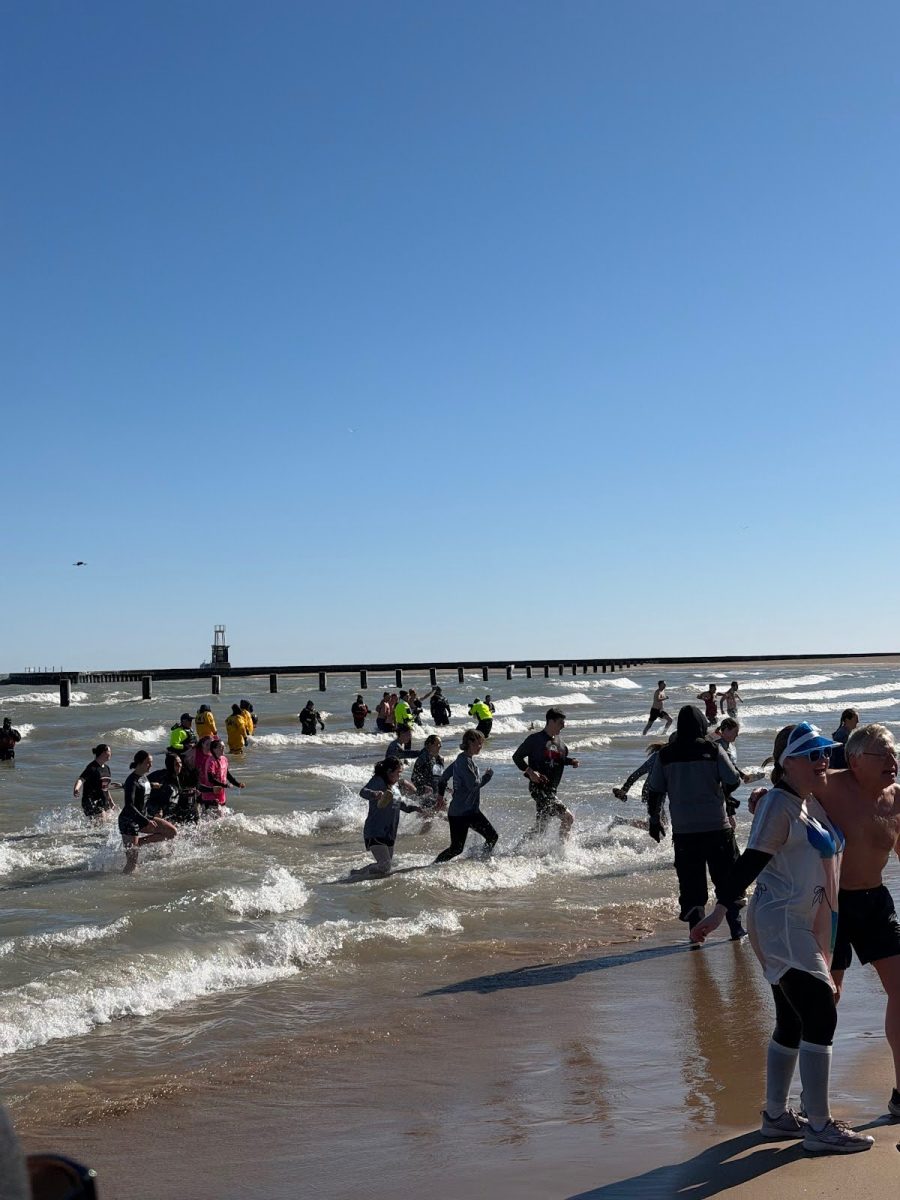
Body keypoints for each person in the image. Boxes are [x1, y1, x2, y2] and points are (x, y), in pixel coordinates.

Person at [692, 723, 874, 1154]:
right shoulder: (780, 803)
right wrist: (720, 910)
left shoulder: (808, 803)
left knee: (793, 1020)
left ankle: (776, 1116)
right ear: (785, 762)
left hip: (802, 923)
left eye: (824, 754)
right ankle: (820, 1126)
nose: (822, 761)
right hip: (781, 924)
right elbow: (751, 861)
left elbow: (852, 770)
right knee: (820, 1014)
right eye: (811, 755)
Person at [646, 705, 744, 937]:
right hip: (717, 828)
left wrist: (654, 819)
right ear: (701, 726)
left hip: (684, 832)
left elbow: (655, 790)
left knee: (691, 886)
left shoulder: (665, 754)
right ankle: (737, 930)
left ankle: (696, 936)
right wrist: (724, 793)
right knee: (728, 880)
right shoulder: (712, 750)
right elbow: (734, 779)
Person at [351, 756, 424, 878]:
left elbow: (400, 804)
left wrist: (415, 808)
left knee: (384, 870)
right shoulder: (378, 780)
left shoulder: (394, 787)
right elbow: (363, 792)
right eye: (398, 773)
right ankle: (357, 874)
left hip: (389, 833)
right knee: (385, 865)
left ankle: (359, 877)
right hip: (375, 830)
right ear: (389, 771)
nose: (399, 776)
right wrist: (374, 794)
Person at [512, 707, 579, 839]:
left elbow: (558, 760)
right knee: (568, 818)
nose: (564, 726)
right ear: (550, 721)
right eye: (560, 722)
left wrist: (571, 761)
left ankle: (518, 850)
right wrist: (530, 772)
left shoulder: (562, 745)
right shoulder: (534, 739)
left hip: (552, 790)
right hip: (538, 788)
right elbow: (517, 757)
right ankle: (563, 851)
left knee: (540, 828)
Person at [434, 729, 497, 863]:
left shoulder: (462, 759)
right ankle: (433, 866)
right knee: (456, 848)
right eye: (479, 743)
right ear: (470, 742)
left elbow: (443, 778)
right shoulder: (464, 762)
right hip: (460, 814)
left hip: (470, 811)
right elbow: (473, 785)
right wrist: (487, 776)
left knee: (492, 837)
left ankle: (481, 860)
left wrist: (440, 796)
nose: (481, 746)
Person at [119, 751, 177, 873]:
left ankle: (139, 843)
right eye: (148, 763)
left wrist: (152, 785)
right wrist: (146, 821)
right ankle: (125, 886)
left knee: (171, 832)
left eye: (151, 763)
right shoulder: (131, 781)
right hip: (129, 821)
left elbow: (142, 786)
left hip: (143, 816)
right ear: (139, 763)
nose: (150, 765)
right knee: (132, 863)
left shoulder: (144, 777)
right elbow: (129, 806)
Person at [147, 753, 198, 823]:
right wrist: (152, 785)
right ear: (170, 766)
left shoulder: (178, 776)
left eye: (180, 762)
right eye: (176, 764)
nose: (180, 765)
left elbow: (178, 792)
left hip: (169, 803)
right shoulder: (162, 776)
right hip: (154, 804)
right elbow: (140, 783)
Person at [612, 742, 667, 808]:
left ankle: (623, 792)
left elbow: (637, 773)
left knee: (657, 811)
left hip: (648, 790)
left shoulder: (656, 756)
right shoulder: (659, 757)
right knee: (658, 810)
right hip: (652, 790)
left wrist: (625, 789)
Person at [73, 743, 120, 819]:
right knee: (101, 822)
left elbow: (105, 788)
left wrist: (111, 803)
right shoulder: (92, 767)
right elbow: (81, 779)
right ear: (103, 753)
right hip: (90, 800)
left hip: (102, 800)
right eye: (109, 751)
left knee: (108, 823)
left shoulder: (107, 768)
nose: (111, 753)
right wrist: (76, 789)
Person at [197, 738, 244, 813]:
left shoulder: (224, 759)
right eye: (220, 747)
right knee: (213, 818)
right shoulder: (211, 761)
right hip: (210, 794)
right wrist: (225, 785)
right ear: (214, 749)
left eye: (224, 747)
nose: (223, 749)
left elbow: (227, 774)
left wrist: (237, 784)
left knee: (221, 816)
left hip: (221, 793)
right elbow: (210, 779)